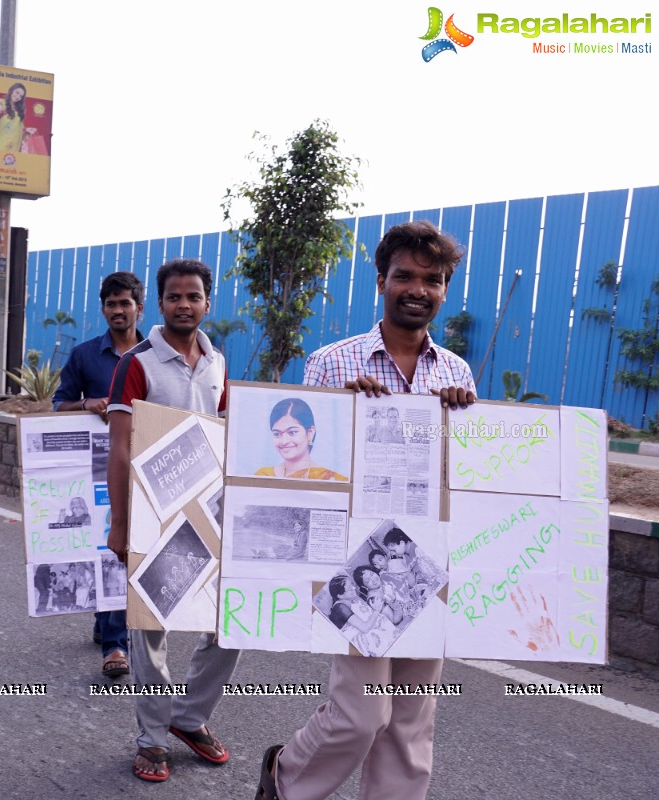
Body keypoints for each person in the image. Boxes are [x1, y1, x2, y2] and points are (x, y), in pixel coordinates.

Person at [255, 219, 476, 800]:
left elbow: (468, 475)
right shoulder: (332, 363)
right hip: (360, 560)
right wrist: (340, 415)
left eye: (432, 280)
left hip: (429, 560)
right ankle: (287, 776)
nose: (418, 289)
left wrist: (465, 421)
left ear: (444, 289)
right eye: (405, 275)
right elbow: (300, 466)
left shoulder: (457, 374)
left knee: (410, 721)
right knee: (361, 713)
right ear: (381, 280)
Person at [106, 258, 238, 783]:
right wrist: (120, 524)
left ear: (208, 303)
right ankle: (153, 738)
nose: (185, 304)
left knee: (230, 624)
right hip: (153, 518)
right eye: (175, 296)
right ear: (159, 304)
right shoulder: (137, 362)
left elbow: (226, 438)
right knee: (150, 632)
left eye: (194, 296)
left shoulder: (218, 363)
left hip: (210, 516)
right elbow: (119, 449)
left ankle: (190, 718)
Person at [54, 271, 145, 679]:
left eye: (125, 303)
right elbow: (59, 405)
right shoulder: (85, 355)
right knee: (111, 547)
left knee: (128, 550)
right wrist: (89, 404)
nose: (118, 310)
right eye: (111, 303)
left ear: (139, 308)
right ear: (103, 308)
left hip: (145, 465)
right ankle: (114, 642)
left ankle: (109, 630)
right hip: (94, 467)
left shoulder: (153, 355)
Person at [255, 398, 347, 481]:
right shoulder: (263, 476)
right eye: (277, 434)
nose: (284, 441)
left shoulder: (332, 480)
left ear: (310, 432)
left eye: (292, 432)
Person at [0, 82, 35, 152]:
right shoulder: (0, 102)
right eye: (17, 92)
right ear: (12, 90)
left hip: (16, 145)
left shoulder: (19, 109)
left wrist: (27, 130)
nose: (17, 97)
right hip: (3, 143)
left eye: (20, 96)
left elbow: (19, 128)